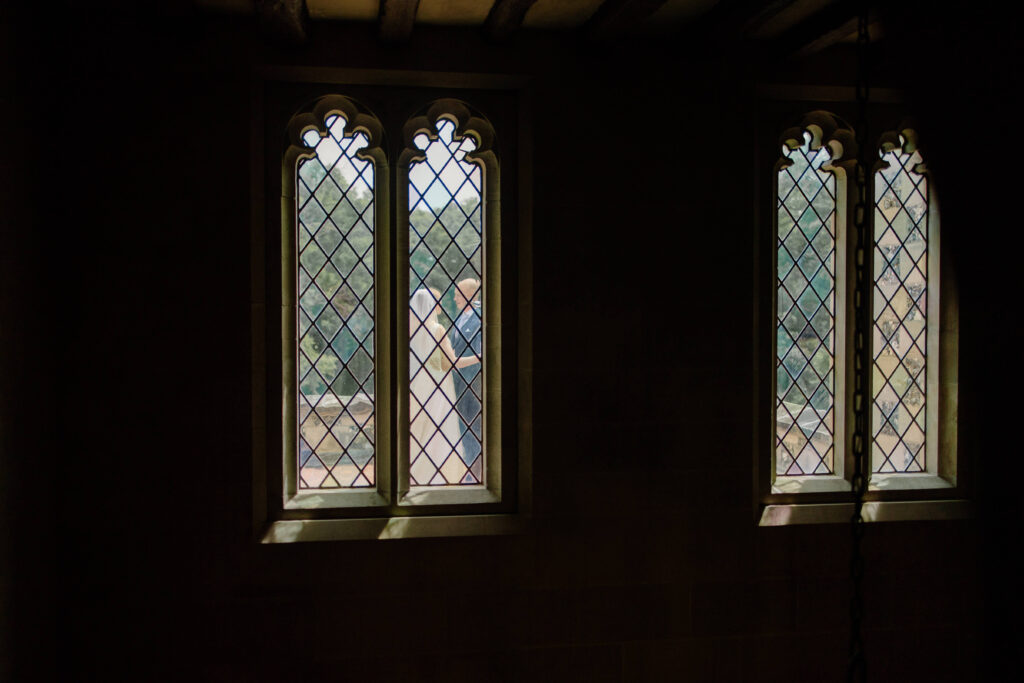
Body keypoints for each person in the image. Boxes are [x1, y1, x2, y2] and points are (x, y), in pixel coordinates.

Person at [409, 287, 479, 483]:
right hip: (438, 385)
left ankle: (417, 474)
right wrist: (480, 357)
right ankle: (438, 476)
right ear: (431, 305)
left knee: (421, 429)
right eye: (437, 301)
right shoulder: (436, 329)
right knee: (440, 429)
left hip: (418, 385)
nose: (440, 305)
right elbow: (453, 363)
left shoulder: (411, 329)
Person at [449, 278, 482, 470]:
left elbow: (481, 351)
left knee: (472, 424)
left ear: (469, 294)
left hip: (473, 380)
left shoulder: (480, 317)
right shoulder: (459, 317)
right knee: (462, 423)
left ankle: (474, 469)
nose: (454, 298)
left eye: (457, 294)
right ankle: (467, 466)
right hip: (457, 379)